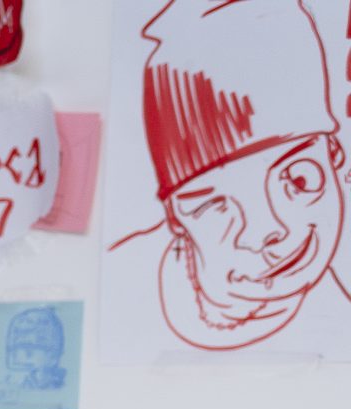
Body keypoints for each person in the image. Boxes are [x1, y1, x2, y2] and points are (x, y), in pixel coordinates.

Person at [113, 0, 351, 353]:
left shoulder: (336, 314)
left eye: (300, 178)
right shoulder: (122, 287)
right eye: (212, 206)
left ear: (334, 159)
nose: (266, 231)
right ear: (174, 216)